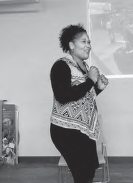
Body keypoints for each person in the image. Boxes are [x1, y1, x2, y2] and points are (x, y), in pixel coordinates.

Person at [50, 24, 109, 183]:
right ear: (71, 45)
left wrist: (98, 88)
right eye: (84, 42)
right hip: (66, 131)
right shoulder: (61, 66)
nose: (88, 46)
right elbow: (63, 96)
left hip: (84, 130)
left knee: (89, 172)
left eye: (89, 42)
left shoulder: (85, 67)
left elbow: (83, 98)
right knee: (81, 175)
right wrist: (90, 80)